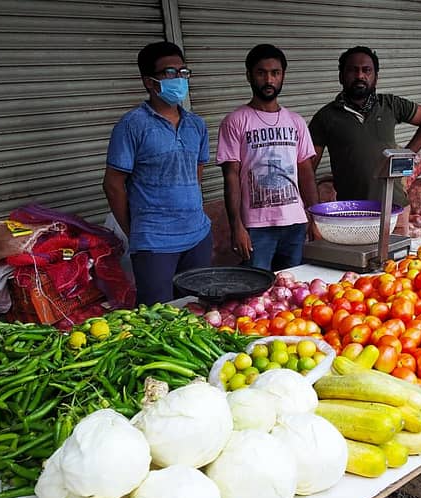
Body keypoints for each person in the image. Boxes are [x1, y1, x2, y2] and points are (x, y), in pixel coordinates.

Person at [103, 41, 212, 305]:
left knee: (200, 310)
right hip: (154, 243)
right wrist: (135, 231)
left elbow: (195, 176)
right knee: (159, 317)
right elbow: (113, 184)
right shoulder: (132, 125)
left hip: (198, 236)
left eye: (183, 72)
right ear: (150, 82)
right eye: (170, 73)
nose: (179, 79)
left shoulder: (196, 125)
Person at [309, 46, 421, 232]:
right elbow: (308, 167)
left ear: (376, 77)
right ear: (341, 76)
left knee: (397, 260)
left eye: (366, 70)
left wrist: (405, 154)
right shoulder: (325, 117)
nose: (360, 76)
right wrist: (313, 212)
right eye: (353, 70)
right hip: (352, 215)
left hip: (395, 210)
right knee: (358, 261)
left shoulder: (390, 105)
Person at [216, 44, 319, 271]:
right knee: (257, 291)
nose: (269, 80)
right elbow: (231, 176)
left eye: (275, 73)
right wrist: (237, 227)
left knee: (293, 286)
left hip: (295, 223)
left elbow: (306, 172)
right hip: (256, 226)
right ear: (249, 76)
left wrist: (315, 216)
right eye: (261, 73)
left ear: (283, 76)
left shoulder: (296, 121)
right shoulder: (235, 121)